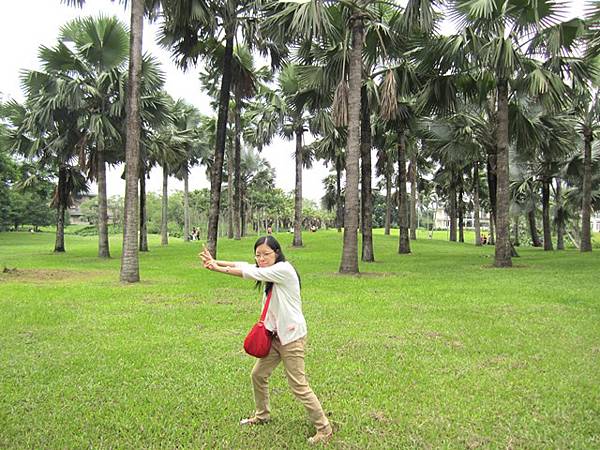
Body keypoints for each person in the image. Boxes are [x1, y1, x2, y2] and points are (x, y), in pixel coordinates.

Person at [199, 236, 333, 445]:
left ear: (277, 253)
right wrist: (216, 261)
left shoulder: (284, 270)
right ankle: (262, 416)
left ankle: (324, 429)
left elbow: (249, 272)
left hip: (291, 338)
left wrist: (214, 268)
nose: (261, 258)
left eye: (266, 254)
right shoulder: (268, 269)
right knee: (258, 374)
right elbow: (243, 265)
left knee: (298, 385)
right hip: (275, 337)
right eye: (258, 254)